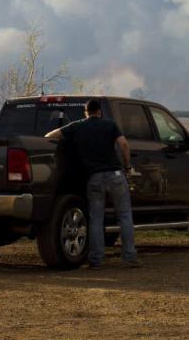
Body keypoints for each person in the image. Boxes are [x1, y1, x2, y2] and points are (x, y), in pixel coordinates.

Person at [45, 99, 141, 269]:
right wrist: (127, 165)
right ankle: (129, 257)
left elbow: (50, 136)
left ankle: (96, 259)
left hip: (94, 177)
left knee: (96, 219)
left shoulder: (77, 126)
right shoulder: (110, 125)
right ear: (99, 112)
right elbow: (124, 144)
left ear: (86, 112)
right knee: (125, 216)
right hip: (115, 175)